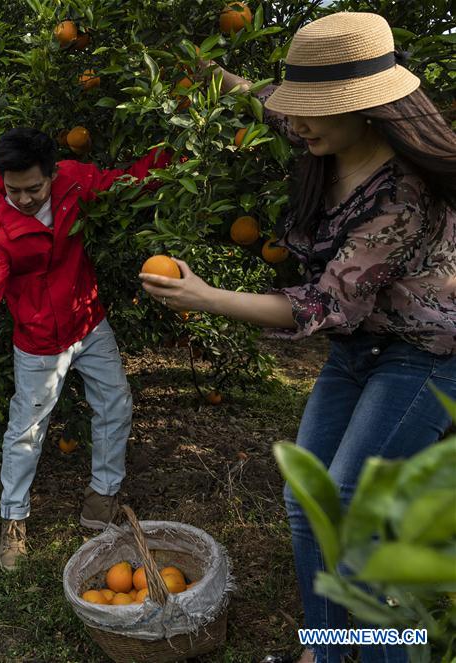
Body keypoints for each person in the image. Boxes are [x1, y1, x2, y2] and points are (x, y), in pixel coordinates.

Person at [139, 13, 455, 663]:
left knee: (352, 508)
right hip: (362, 345)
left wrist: (206, 298)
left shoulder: (401, 192)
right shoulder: (322, 135)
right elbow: (262, 96)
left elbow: (324, 304)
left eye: (314, 107)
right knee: (304, 493)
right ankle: (329, 647)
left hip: (426, 353)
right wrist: (204, 75)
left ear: (366, 109)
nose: (298, 119)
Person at [0, 127, 171, 571]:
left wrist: (185, 148)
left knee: (116, 404)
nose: (23, 199)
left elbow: (128, 180)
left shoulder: (75, 182)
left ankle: (101, 499)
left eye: (33, 189)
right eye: (12, 190)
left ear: (52, 175)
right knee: (26, 431)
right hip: (38, 337)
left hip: (88, 318)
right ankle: (13, 521)